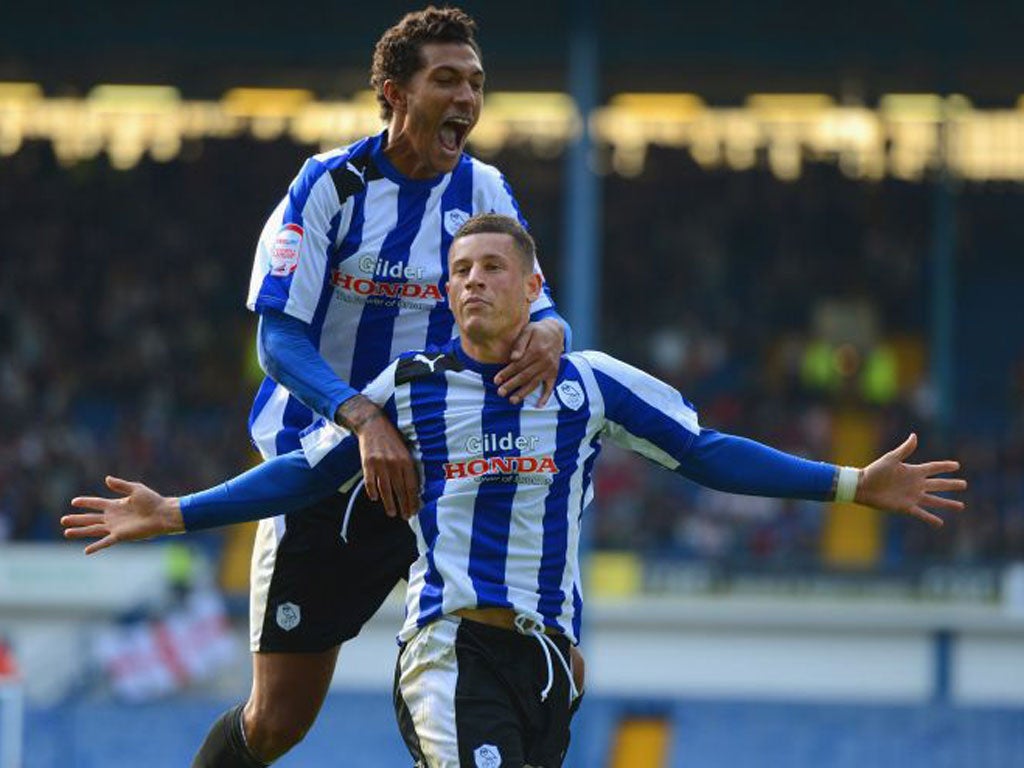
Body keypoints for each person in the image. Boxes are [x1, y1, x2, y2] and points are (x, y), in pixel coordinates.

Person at [65, 214, 967, 768]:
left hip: (547, 668)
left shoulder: (592, 384)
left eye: (492, 268)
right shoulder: (408, 391)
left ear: (534, 286)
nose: (472, 283)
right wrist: (178, 509)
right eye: (458, 272)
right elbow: (304, 474)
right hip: (449, 653)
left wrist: (851, 484)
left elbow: (709, 452)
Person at [192, 7, 569, 767]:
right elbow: (278, 338)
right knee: (277, 723)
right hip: (327, 477)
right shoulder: (329, 186)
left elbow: (533, 293)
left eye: (476, 83)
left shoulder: (484, 186)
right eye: (447, 80)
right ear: (395, 92)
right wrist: (363, 418)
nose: (466, 98)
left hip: (445, 477)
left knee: (503, 664)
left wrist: (554, 328)